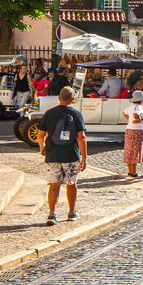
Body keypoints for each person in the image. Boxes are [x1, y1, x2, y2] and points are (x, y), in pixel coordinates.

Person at [37, 86, 87, 225]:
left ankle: (52, 215)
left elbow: (40, 135)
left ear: (59, 98)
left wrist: (43, 148)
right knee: (72, 183)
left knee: (54, 184)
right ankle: (71, 212)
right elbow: (81, 137)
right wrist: (84, 157)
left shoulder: (49, 113)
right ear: (72, 100)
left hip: (53, 154)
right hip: (71, 154)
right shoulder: (77, 114)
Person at [121, 90, 143, 178]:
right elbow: (136, 114)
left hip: (129, 129)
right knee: (135, 152)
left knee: (129, 151)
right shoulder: (138, 107)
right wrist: (138, 120)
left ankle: (130, 172)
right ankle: (134, 173)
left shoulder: (131, 106)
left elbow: (124, 113)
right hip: (137, 130)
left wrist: (129, 119)